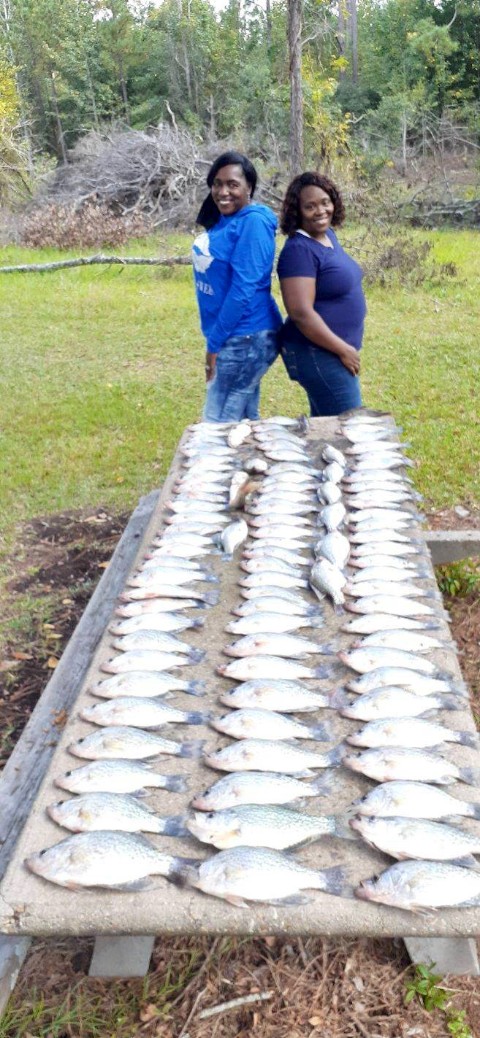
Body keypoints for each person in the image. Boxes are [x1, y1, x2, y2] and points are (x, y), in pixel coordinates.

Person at [192, 151, 282, 422]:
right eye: (217, 183)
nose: (223, 191)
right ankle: (251, 465)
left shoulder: (253, 222)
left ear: (249, 188)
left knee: (217, 425)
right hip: (238, 334)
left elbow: (243, 289)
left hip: (246, 335)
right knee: (242, 422)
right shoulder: (225, 220)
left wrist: (214, 343)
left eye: (233, 184)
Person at [277, 171, 366, 417]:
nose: (320, 211)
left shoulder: (328, 237)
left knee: (325, 429)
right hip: (315, 351)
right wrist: (343, 349)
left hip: (327, 352)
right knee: (349, 427)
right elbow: (301, 313)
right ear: (297, 211)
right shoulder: (298, 251)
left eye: (325, 202)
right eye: (310, 206)